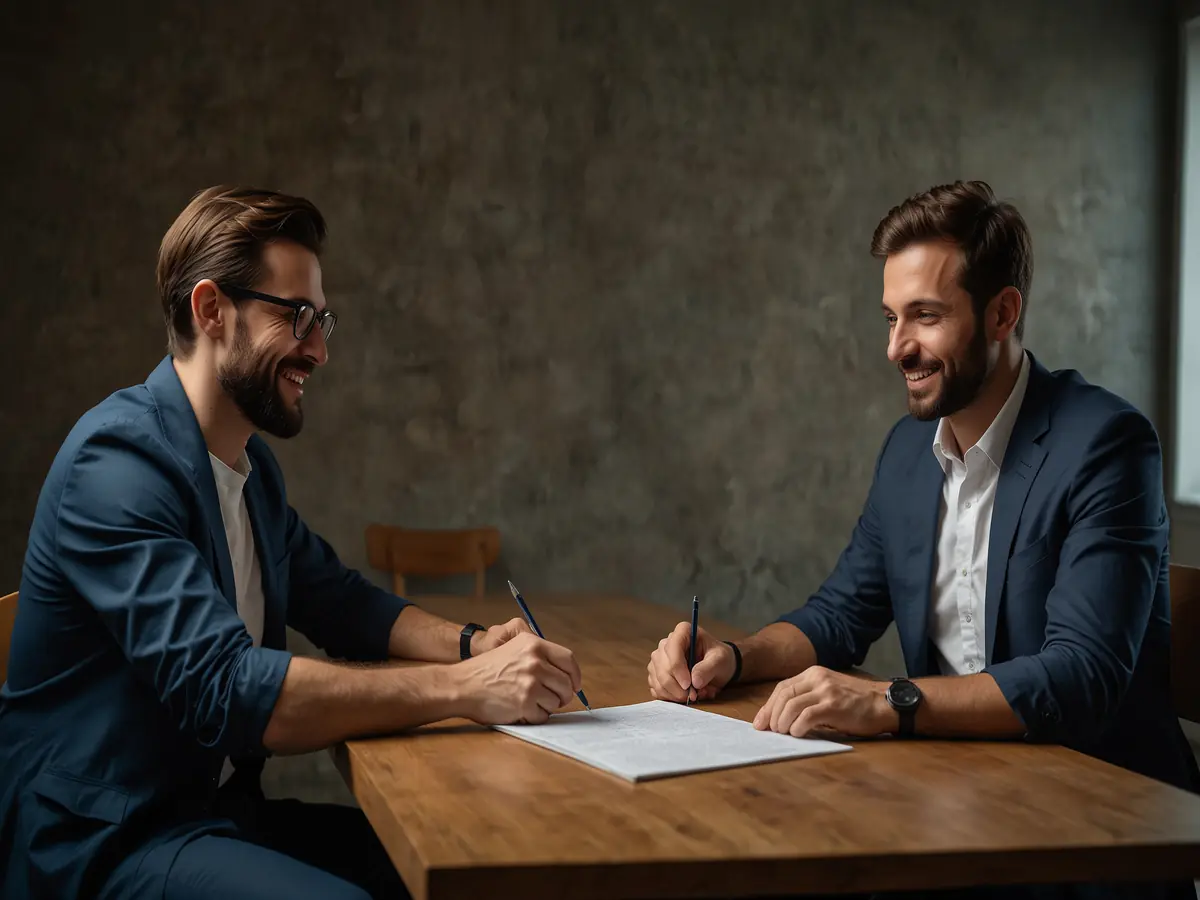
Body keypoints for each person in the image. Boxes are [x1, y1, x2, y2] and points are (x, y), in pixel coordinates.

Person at [0, 185, 584, 900]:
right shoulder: (116, 465)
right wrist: (468, 689)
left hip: (208, 817)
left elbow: (338, 600)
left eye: (322, 320)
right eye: (298, 316)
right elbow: (228, 691)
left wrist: (473, 644)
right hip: (101, 840)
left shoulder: (251, 471)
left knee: (462, 866)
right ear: (212, 310)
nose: (320, 350)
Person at [646, 181, 1200, 900]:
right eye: (891, 318)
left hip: (1094, 841)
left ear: (1003, 313)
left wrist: (889, 701)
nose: (896, 348)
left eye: (926, 316)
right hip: (956, 811)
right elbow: (841, 613)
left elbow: (1081, 675)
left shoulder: (1105, 445)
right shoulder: (908, 454)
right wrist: (736, 656)